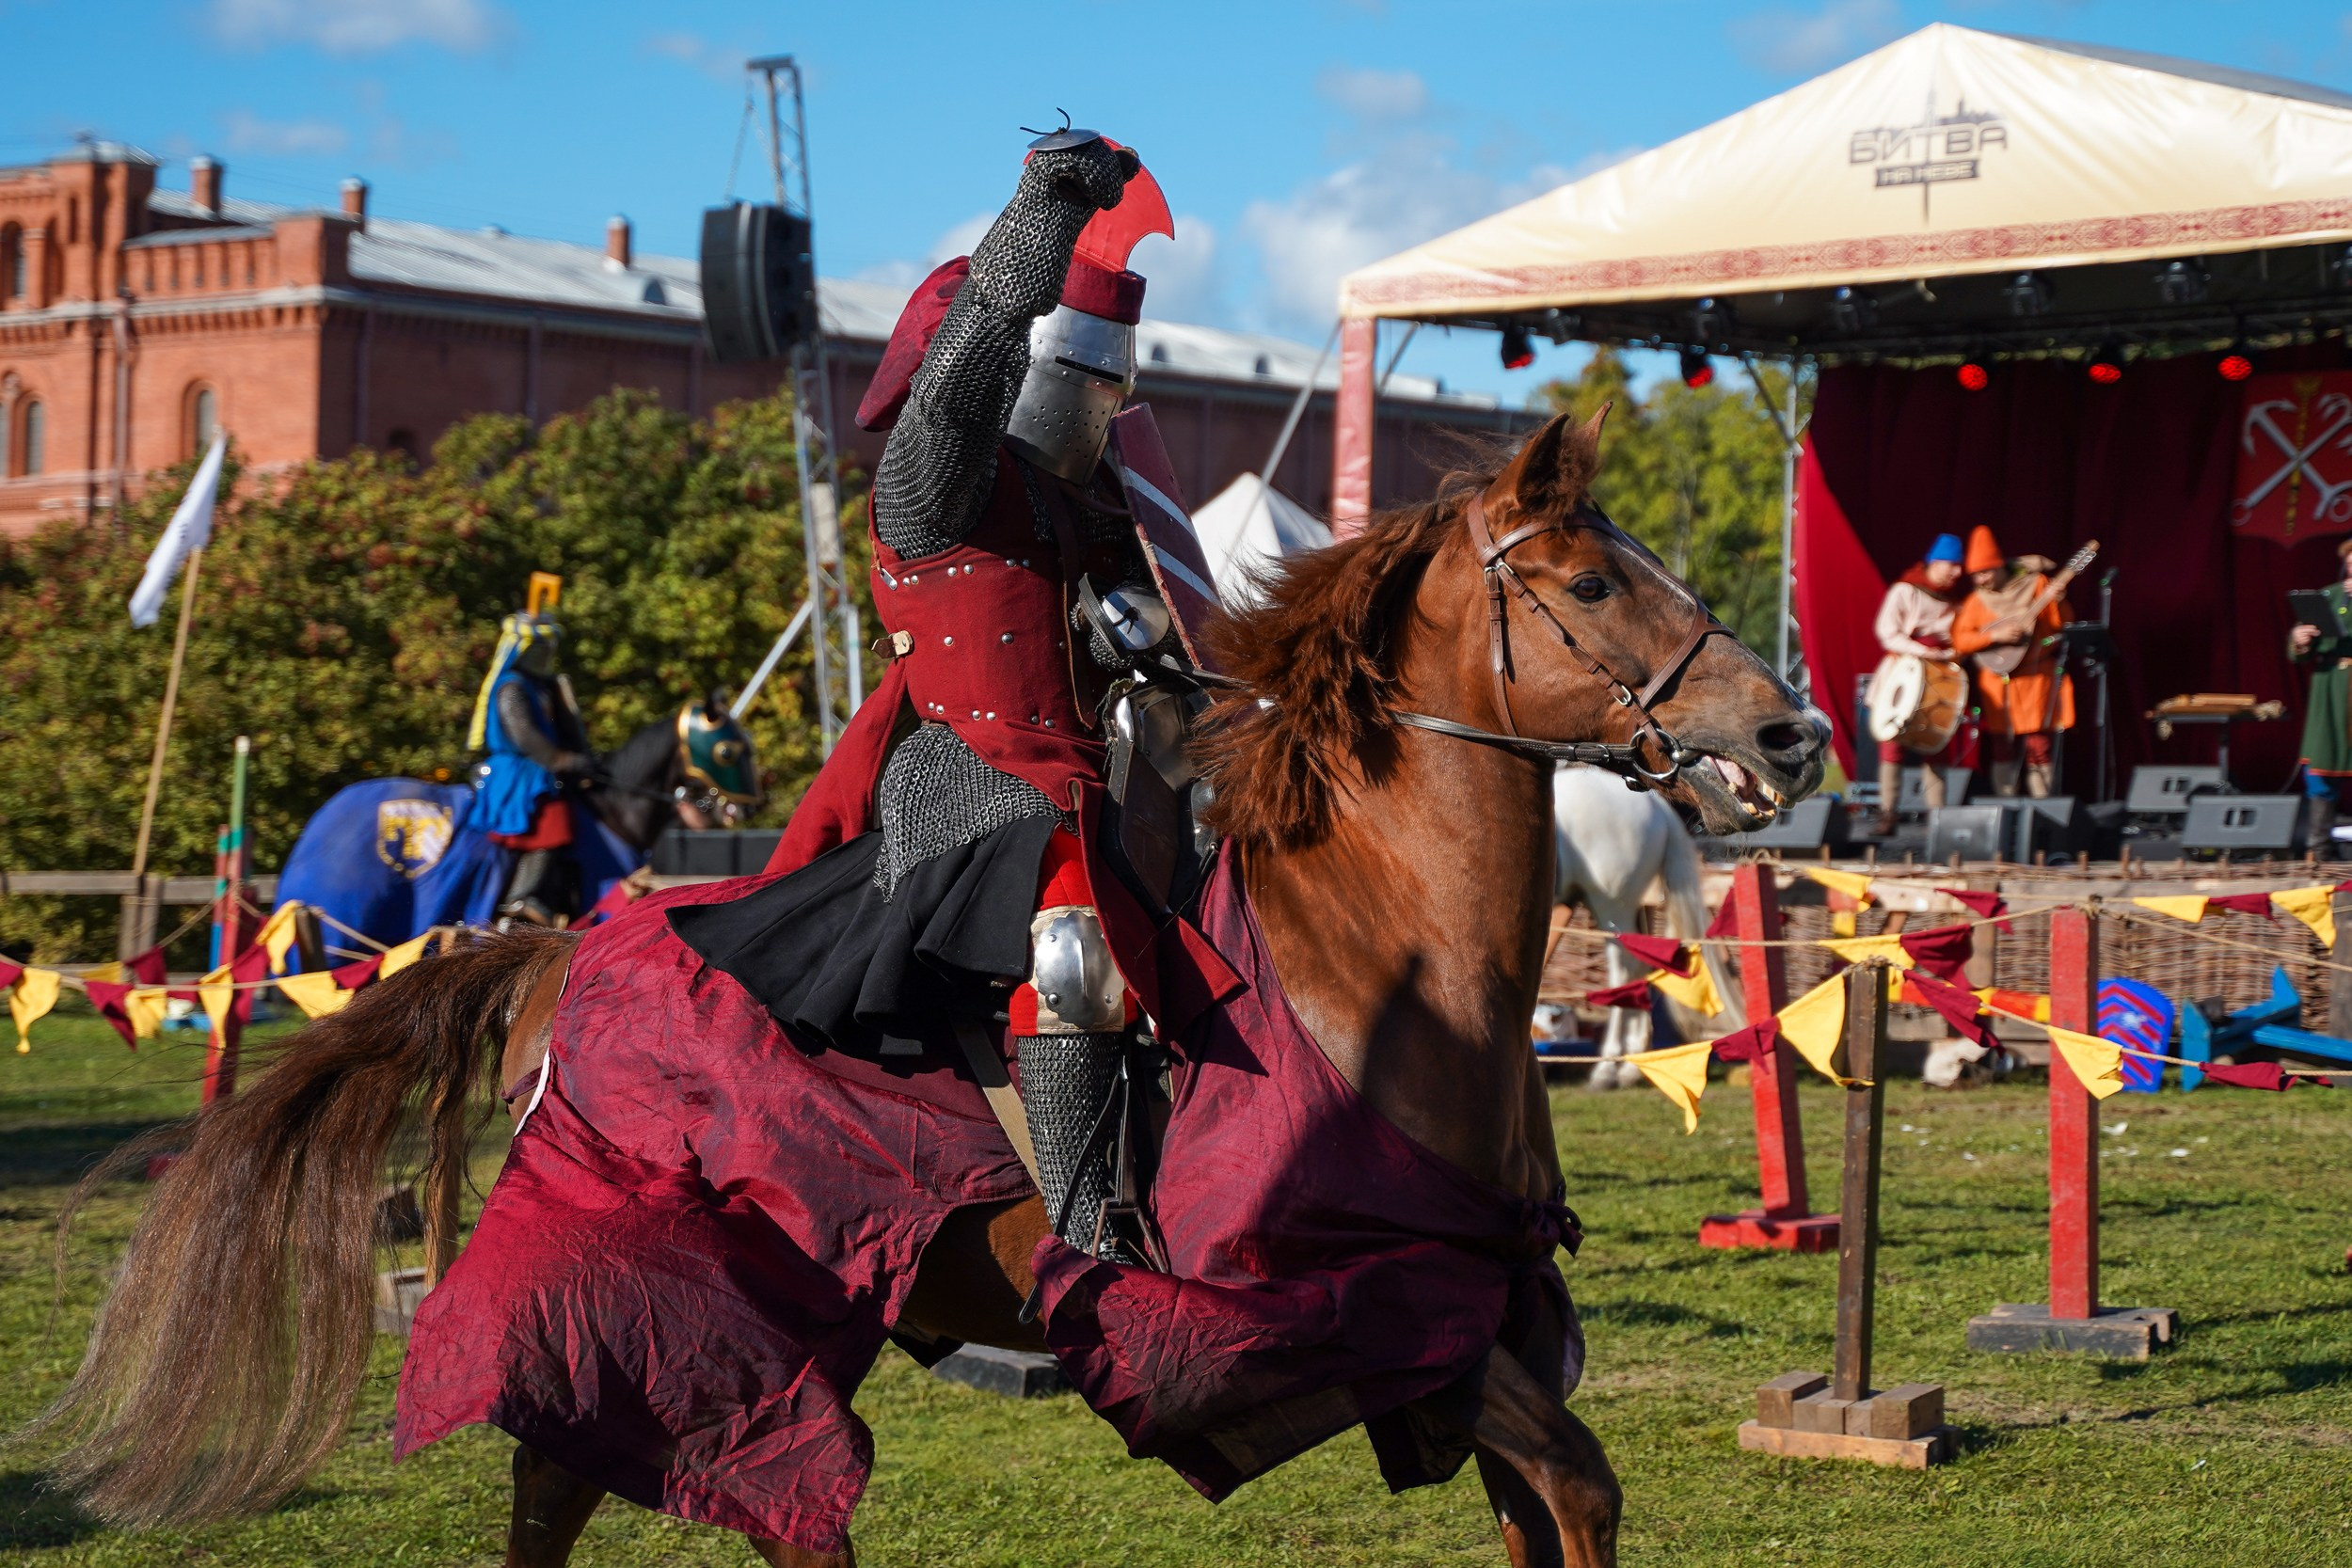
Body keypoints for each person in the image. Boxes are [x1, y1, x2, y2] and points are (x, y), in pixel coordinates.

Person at [671, 128, 1179, 1262]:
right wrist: (1043, 210)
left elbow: (1157, 634)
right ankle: (1091, 1225)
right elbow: (963, 374)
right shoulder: (934, 475)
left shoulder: (1081, 505)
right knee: (1073, 950)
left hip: (1107, 772)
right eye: (1078, 368)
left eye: (1111, 375)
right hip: (974, 781)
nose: (1097, 393)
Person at [468, 610, 594, 925]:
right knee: (551, 823)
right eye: (540, 649)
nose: (547, 655)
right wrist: (560, 760)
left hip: (536, 769)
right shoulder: (511, 686)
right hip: (519, 771)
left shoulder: (540, 685)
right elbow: (525, 737)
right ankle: (521, 896)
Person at [1950, 524, 2073, 799]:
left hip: (2034, 681)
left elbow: (2059, 626)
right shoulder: (1976, 601)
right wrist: (1994, 635)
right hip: (1998, 685)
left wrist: (2060, 602)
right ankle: (2005, 809)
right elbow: (1961, 641)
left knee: (2038, 747)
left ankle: (2042, 811)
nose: (1980, 580)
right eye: (1976, 575)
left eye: (1985, 572)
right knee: (2002, 747)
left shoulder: (2036, 585)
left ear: (1999, 566)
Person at [1867, 532, 1967, 835]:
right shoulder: (1906, 591)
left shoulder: (1956, 603)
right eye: (1952, 565)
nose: (1957, 572)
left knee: (1935, 742)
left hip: (1939, 677)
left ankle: (1938, 817)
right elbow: (1888, 632)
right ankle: (1888, 815)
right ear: (1935, 563)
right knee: (1892, 743)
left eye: (1960, 566)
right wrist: (1926, 651)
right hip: (1903, 670)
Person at [2288, 536, 2352, 847]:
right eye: (2350, 566)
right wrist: (2300, 640)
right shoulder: (2330, 594)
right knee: (2321, 766)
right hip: (2329, 689)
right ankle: (2319, 848)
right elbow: (2301, 652)